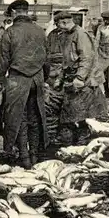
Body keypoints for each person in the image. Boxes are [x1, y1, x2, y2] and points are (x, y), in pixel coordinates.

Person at [0, 0, 49, 169]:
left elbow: (3, 61)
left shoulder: (10, 33)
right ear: (26, 11)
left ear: (15, 13)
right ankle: (35, 156)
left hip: (18, 81)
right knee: (35, 118)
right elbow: (46, 60)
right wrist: (42, 78)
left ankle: (23, 158)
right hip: (37, 80)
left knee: (18, 119)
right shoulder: (40, 31)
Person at [56, 11, 108, 146]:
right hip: (74, 77)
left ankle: (82, 139)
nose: (58, 28)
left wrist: (79, 77)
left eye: (59, 25)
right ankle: (77, 137)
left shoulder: (81, 34)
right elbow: (66, 60)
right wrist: (60, 78)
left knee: (78, 110)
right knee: (75, 111)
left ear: (64, 22)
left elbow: (87, 58)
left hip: (86, 79)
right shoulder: (66, 35)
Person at [44, 10, 65, 144]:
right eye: (57, 22)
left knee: (62, 103)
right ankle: (51, 134)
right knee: (52, 102)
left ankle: (58, 132)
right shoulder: (51, 35)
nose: (59, 25)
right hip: (53, 70)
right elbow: (47, 51)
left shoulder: (70, 35)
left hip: (63, 70)